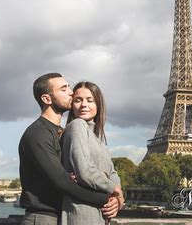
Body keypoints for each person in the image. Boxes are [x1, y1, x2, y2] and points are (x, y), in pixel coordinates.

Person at [18, 73, 121, 225]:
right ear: (47, 99)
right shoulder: (37, 133)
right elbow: (62, 182)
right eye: (64, 89)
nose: (71, 92)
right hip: (43, 217)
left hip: (58, 215)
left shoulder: (60, 132)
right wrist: (109, 197)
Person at [61, 81, 125, 225]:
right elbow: (84, 171)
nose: (84, 105)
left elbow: (113, 173)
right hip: (81, 213)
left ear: (98, 105)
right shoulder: (77, 125)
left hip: (98, 215)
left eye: (90, 100)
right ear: (72, 105)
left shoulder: (99, 140)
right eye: (78, 100)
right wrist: (116, 190)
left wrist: (116, 199)